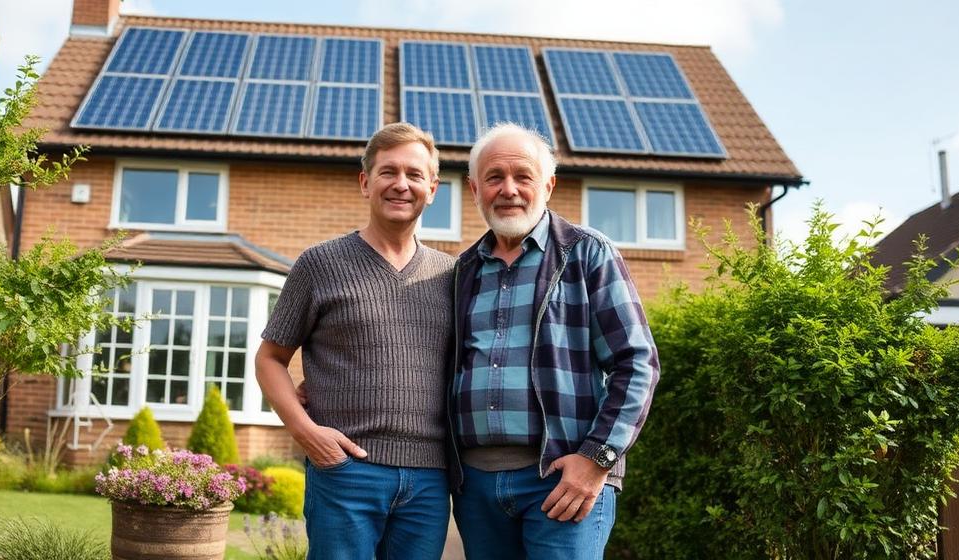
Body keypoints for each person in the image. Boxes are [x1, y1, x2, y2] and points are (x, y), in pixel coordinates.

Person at [448, 123, 660, 559]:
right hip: (477, 485)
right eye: (494, 177)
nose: (509, 190)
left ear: (548, 185)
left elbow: (636, 363)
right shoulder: (462, 270)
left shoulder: (588, 253)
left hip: (564, 477)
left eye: (522, 177)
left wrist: (597, 458)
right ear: (474, 189)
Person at [255, 122, 455, 560]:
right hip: (346, 470)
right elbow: (270, 357)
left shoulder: (452, 275)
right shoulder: (319, 264)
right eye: (388, 172)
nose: (401, 184)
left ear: (433, 188)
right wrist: (306, 432)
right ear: (366, 182)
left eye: (415, 175)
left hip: (429, 479)